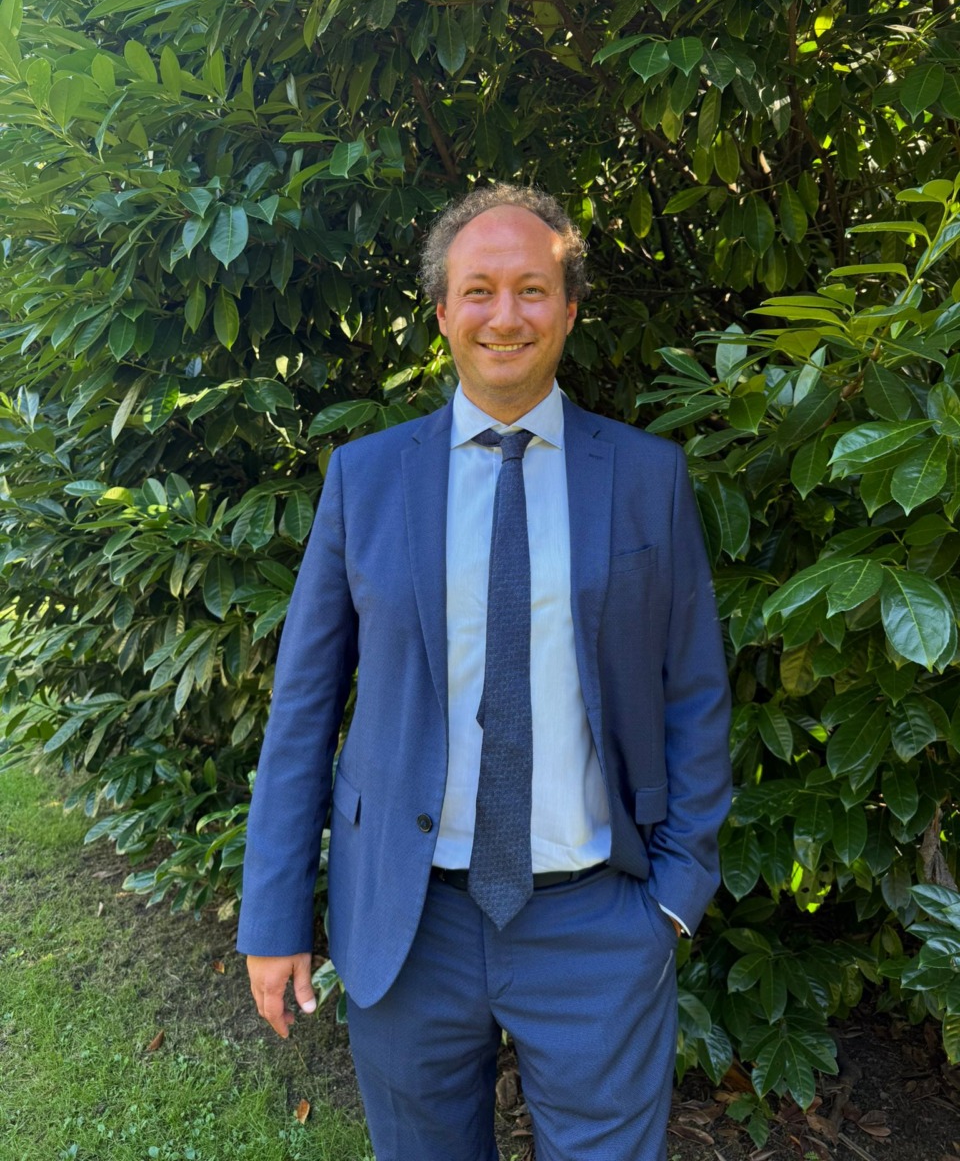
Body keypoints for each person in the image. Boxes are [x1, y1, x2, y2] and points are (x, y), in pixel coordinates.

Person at [237, 183, 732, 1160]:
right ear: (442, 312)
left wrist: (676, 895)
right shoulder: (367, 480)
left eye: (532, 289)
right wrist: (275, 912)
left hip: (597, 921)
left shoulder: (646, 478)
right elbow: (302, 710)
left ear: (570, 308)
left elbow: (695, 692)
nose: (506, 315)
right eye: (478, 290)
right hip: (407, 921)